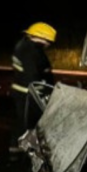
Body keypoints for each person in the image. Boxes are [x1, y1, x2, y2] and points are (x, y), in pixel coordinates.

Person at [10, 22, 56, 153]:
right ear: (41, 38)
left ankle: (17, 147)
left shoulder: (24, 46)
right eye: (48, 41)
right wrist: (45, 88)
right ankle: (24, 148)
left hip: (23, 91)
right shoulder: (30, 51)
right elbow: (32, 76)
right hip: (27, 93)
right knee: (29, 122)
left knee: (22, 121)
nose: (48, 45)